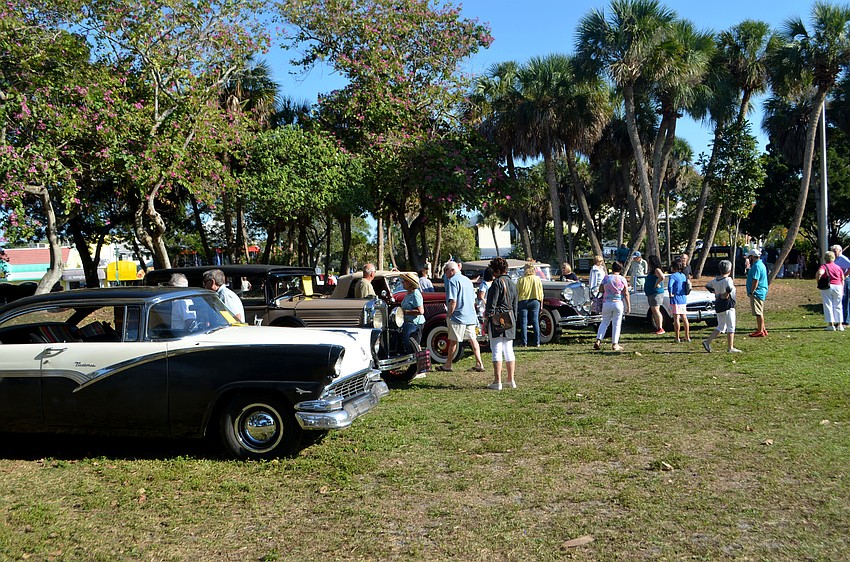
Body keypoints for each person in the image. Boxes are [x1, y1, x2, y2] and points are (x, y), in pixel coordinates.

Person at [437, 260, 485, 373]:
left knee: (453, 341)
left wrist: (449, 314)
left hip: (458, 316)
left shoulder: (453, 281)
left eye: (446, 271)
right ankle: (479, 363)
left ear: (451, 270)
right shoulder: (467, 280)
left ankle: (448, 365)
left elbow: (453, 301)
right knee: (473, 340)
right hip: (470, 315)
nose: (445, 274)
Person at [485, 257, 518, 390]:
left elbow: (491, 304)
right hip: (510, 317)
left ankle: (497, 381)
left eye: (494, 271)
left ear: (498, 271)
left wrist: (487, 319)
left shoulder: (497, 283)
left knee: (496, 349)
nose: (493, 274)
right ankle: (511, 379)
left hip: (498, 318)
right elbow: (515, 305)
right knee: (509, 349)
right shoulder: (513, 284)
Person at [702, 260, 741, 352]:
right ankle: (730, 347)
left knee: (721, 326)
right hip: (727, 304)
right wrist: (725, 294)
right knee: (731, 326)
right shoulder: (728, 279)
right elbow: (729, 288)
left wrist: (716, 293)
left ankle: (707, 341)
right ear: (729, 270)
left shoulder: (715, 280)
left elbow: (708, 285)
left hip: (718, 304)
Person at [593, 261, 630, 352]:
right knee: (616, 324)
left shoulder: (606, 278)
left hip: (607, 303)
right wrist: (628, 306)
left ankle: (598, 340)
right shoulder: (622, 279)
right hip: (618, 302)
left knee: (604, 322)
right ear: (620, 269)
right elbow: (625, 293)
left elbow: (601, 290)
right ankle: (615, 344)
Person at [516, 263, 544, 347]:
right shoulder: (537, 279)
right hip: (535, 301)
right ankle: (537, 342)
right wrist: (541, 304)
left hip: (523, 301)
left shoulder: (521, 280)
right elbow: (541, 293)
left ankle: (524, 342)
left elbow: (517, 292)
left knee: (523, 322)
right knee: (535, 321)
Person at [816, 251, 845, 331]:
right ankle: (840, 325)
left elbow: (820, 273)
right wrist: (842, 288)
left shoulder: (824, 266)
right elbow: (842, 278)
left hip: (828, 286)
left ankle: (831, 325)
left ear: (825, 258)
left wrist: (818, 281)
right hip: (838, 286)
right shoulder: (838, 267)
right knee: (838, 305)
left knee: (828, 305)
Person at [399, 272, 426, 351]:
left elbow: (421, 311)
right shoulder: (409, 293)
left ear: (410, 284)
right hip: (408, 323)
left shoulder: (415, 294)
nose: (403, 282)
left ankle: (418, 357)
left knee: (415, 344)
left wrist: (406, 312)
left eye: (405, 281)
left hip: (415, 324)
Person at [745, 249, 769, 337]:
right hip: (759, 291)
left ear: (752, 257)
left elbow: (755, 280)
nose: (748, 259)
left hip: (757, 292)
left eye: (749, 257)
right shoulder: (759, 264)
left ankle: (760, 331)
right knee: (759, 311)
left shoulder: (757, 266)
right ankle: (763, 329)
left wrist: (752, 291)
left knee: (758, 312)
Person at [668, 258, 690, 343]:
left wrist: (670, 293)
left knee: (676, 318)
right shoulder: (683, 275)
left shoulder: (673, 276)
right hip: (683, 298)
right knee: (684, 317)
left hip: (676, 298)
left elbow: (670, 285)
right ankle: (687, 336)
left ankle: (677, 337)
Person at [644, 254, 666, 335]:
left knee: (656, 310)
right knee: (654, 310)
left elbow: (662, 277)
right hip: (651, 293)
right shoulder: (652, 271)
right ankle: (658, 327)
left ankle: (660, 328)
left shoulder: (657, 269)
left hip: (656, 293)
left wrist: (656, 284)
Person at [831, 244, 850, 326]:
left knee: (844, 300)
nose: (833, 253)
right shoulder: (835, 259)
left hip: (844, 281)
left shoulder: (842, 258)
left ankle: (846, 321)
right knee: (839, 301)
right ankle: (840, 320)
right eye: (832, 251)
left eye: (835, 251)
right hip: (837, 281)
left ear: (840, 251)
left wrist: (844, 276)